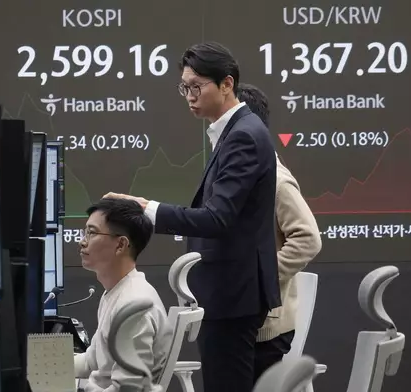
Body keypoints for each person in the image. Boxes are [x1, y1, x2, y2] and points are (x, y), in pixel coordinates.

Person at [104, 42, 280, 392]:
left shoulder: (244, 136)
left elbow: (217, 219)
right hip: (229, 291)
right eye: (184, 87)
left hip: (232, 293)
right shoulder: (234, 132)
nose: (188, 95)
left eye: (196, 86)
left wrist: (145, 209)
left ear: (227, 84)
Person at [237, 83, 322, 381]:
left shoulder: (275, 180)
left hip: (265, 329)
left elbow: (308, 239)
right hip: (244, 317)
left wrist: (262, 277)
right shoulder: (244, 173)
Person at [74, 198, 172, 392]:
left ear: (120, 245)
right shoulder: (116, 291)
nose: (82, 241)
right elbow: (92, 360)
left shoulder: (133, 307)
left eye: (91, 233)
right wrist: (35, 367)